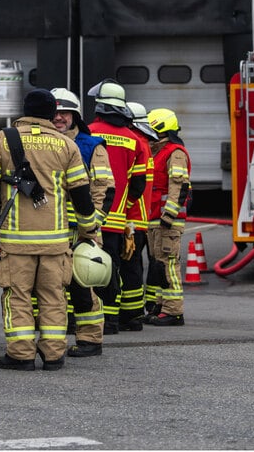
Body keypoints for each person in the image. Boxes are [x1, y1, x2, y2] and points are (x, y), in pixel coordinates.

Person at [0, 89, 98, 371]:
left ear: (23, 111)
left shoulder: (2, 140)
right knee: (53, 298)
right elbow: (82, 195)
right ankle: (53, 355)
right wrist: (89, 231)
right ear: (52, 114)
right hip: (55, 242)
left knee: (18, 297)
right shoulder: (67, 146)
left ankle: (21, 354)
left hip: (17, 242)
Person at [49, 88, 114, 358]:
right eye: (54, 112)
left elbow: (105, 189)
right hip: (49, 231)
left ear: (75, 115)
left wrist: (92, 227)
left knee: (83, 287)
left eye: (64, 112)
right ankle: (51, 338)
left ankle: (90, 340)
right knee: (49, 287)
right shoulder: (41, 144)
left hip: (80, 231)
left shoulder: (91, 146)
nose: (59, 117)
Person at [86, 79, 149, 334]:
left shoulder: (87, 133)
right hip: (116, 221)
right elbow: (138, 185)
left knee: (85, 267)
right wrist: (123, 208)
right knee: (112, 269)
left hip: (88, 217)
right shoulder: (135, 140)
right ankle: (111, 321)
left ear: (100, 106)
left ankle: (89, 318)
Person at [145, 108, 192, 326]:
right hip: (155, 219)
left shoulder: (175, 153)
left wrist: (169, 215)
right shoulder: (156, 152)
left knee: (169, 264)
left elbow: (179, 186)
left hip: (166, 221)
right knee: (158, 265)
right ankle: (161, 306)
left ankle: (174, 312)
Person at [119, 101, 157, 331]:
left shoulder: (135, 144)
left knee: (129, 268)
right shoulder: (144, 143)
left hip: (131, 218)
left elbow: (135, 185)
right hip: (140, 218)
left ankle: (131, 316)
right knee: (134, 268)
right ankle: (134, 313)